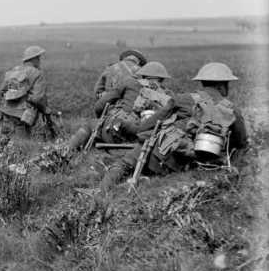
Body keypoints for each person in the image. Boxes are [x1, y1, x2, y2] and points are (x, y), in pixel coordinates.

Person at [99, 62, 248, 190]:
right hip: (187, 164)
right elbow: (240, 144)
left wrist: (139, 131)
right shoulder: (232, 110)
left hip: (158, 155)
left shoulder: (182, 99)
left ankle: (100, 193)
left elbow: (147, 126)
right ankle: (144, 180)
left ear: (202, 82)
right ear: (222, 86)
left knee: (124, 162)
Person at [66, 61, 174, 151]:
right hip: (149, 136)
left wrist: (101, 119)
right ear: (162, 79)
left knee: (89, 125)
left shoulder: (130, 82)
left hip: (119, 130)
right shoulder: (168, 95)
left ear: (143, 75)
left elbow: (100, 105)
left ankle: (67, 152)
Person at [0, 46, 49, 139]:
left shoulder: (13, 71)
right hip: (23, 117)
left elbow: (2, 91)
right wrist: (45, 109)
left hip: (6, 114)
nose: (39, 60)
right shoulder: (37, 73)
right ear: (34, 59)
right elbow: (37, 98)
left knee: (4, 144)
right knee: (22, 147)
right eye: (38, 58)